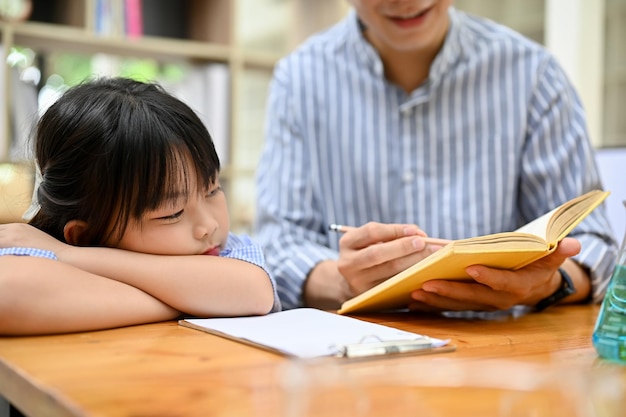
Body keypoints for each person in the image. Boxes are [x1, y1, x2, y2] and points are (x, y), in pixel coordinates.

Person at [255, 0, 618, 312]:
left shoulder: (534, 74)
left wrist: (546, 285)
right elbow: (278, 245)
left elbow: (593, 245)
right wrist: (341, 282)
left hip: (505, 356)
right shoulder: (299, 79)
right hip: (356, 358)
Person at [0, 77, 280, 335]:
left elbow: (254, 292)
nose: (209, 225)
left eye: (212, 190)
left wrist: (68, 256)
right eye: (172, 213)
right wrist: (196, 300)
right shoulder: (34, 249)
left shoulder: (226, 250)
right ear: (86, 236)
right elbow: (9, 292)